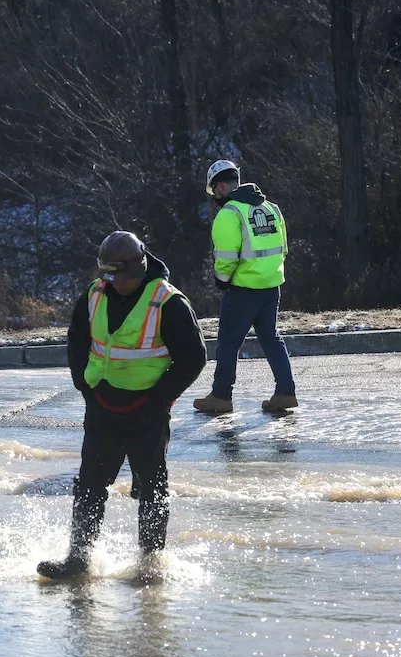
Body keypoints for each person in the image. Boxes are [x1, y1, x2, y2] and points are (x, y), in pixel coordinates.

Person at [38, 231, 206, 579]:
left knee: (152, 487)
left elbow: (194, 357)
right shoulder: (94, 293)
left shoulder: (168, 302)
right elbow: (77, 341)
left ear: (140, 268)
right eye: (110, 277)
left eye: (123, 278)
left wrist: (159, 399)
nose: (116, 284)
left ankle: (150, 563)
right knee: (89, 483)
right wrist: (83, 385)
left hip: (148, 410)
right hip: (102, 404)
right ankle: (78, 559)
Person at [193, 159, 298, 414]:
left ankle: (221, 396)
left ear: (219, 188)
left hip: (243, 289)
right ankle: (285, 392)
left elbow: (227, 256)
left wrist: (222, 280)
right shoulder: (271, 208)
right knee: (271, 338)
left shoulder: (229, 214)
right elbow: (282, 248)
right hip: (271, 286)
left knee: (229, 341)